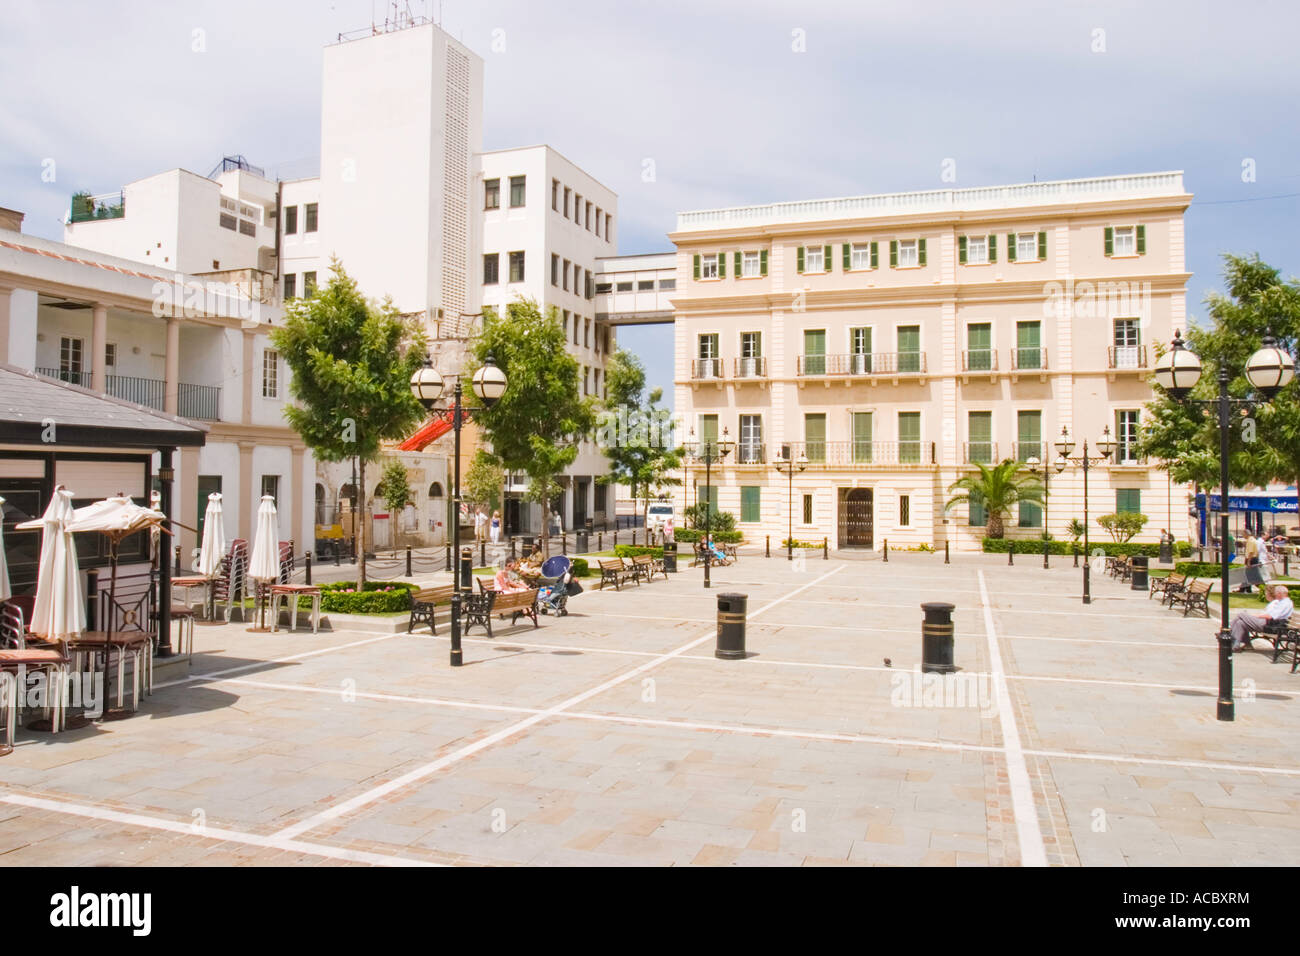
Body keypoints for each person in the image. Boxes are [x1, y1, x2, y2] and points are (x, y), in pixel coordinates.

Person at [1229, 584, 1293, 651]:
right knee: (1240, 623)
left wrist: (1255, 616)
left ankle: (1228, 630)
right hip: (1269, 624)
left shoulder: (1285, 603)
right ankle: (1238, 645)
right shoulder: (1282, 602)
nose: (1275, 595)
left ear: (1280, 593)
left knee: (1241, 614)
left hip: (1270, 625)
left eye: (1276, 593)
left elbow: (1270, 616)